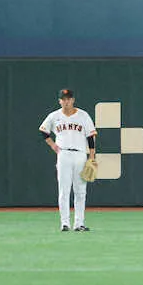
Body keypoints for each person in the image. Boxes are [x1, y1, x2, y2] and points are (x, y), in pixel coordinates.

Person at [38, 88, 96, 232]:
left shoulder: (83, 115)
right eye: (63, 99)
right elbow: (43, 131)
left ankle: (79, 223)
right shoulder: (54, 116)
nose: (66, 101)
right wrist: (53, 145)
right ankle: (64, 223)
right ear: (60, 101)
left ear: (73, 100)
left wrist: (92, 157)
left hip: (81, 155)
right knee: (64, 190)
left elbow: (91, 137)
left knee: (80, 191)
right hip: (63, 154)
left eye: (69, 99)